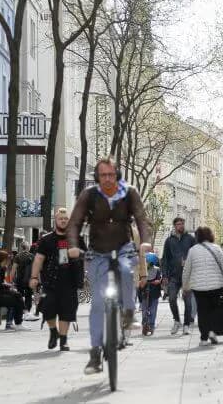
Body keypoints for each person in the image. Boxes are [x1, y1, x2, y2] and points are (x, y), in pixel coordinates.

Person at [67, 157, 152, 374]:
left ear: (117, 175)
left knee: (125, 270)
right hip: (98, 254)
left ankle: (129, 313)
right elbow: (75, 222)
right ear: (97, 177)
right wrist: (74, 246)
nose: (107, 179)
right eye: (103, 175)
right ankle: (95, 352)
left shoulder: (129, 192)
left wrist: (144, 241)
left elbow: (141, 218)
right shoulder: (89, 195)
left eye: (111, 175)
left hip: (123, 248)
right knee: (97, 304)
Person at [30, 208, 84, 351]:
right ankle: (53, 331)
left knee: (67, 311)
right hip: (50, 282)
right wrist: (34, 277)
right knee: (47, 308)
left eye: (66, 219)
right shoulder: (46, 239)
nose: (63, 221)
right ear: (56, 220)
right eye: (61, 218)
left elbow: (88, 255)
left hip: (70, 282)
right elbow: (38, 259)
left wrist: (79, 253)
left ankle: (63, 340)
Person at [182, 227, 223, 346]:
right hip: (216, 286)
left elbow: (187, 270)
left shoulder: (192, 250)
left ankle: (204, 338)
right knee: (214, 309)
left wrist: (185, 285)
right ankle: (212, 331)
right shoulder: (217, 248)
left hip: (199, 287)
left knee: (202, 311)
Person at [161, 217, 196, 336]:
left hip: (187, 276)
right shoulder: (169, 241)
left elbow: (196, 255)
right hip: (173, 276)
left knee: (188, 302)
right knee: (171, 298)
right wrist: (164, 275)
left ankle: (186, 325)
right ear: (174, 226)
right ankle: (176, 320)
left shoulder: (190, 239)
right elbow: (165, 259)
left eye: (182, 224)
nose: (180, 226)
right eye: (178, 224)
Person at [0, 251, 29, 331]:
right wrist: (8, 286)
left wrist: (8, 287)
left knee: (17, 295)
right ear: (5, 260)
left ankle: (24, 315)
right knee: (15, 301)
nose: (10, 261)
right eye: (9, 259)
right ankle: (18, 321)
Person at [11, 242, 37, 321]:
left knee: (20, 296)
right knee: (28, 296)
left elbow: (14, 269)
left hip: (19, 279)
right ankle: (27, 313)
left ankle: (22, 311)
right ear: (28, 247)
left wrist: (12, 279)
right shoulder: (32, 256)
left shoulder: (17, 256)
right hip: (29, 279)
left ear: (21, 247)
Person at [141, 253, 162, 336]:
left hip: (154, 293)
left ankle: (152, 325)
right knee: (144, 310)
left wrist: (157, 281)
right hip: (144, 292)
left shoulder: (157, 270)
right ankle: (144, 325)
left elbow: (159, 279)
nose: (146, 263)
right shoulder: (141, 270)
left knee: (153, 310)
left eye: (148, 261)